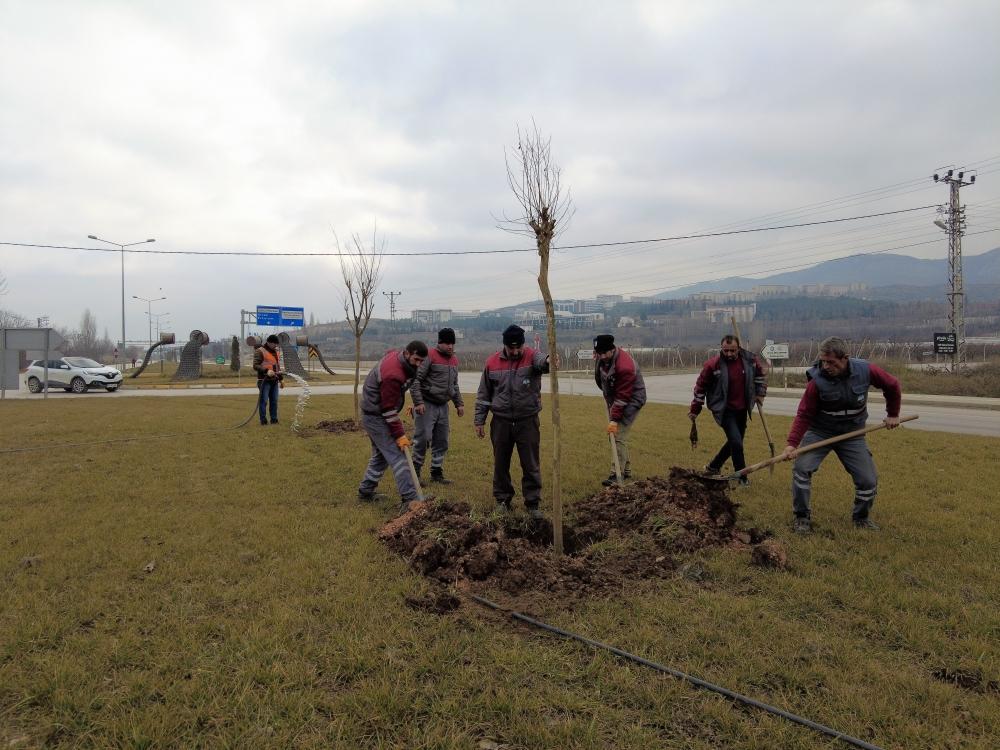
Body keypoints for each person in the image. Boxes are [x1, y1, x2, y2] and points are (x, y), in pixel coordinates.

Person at [779, 336, 901, 533]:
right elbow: (804, 414)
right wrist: (792, 444)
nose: (826, 366)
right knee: (801, 469)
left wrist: (893, 414)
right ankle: (801, 518)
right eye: (823, 361)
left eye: (831, 362)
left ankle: (861, 518)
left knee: (868, 480)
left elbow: (892, 385)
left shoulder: (865, 370)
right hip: (820, 432)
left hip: (853, 433)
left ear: (845, 358)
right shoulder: (817, 381)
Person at [474, 324, 551, 519]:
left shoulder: (532, 356)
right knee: (500, 463)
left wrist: (550, 361)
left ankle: (532, 503)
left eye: (519, 347)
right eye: (511, 348)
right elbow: (484, 394)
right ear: (504, 345)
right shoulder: (492, 362)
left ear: (524, 344)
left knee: (530, 463)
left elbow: (543, 363)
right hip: (501, 422)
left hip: (527, 421)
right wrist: (479, 420)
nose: (515, 351)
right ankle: (502, 500)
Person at [358, 341, 429, 513]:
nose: (419, 364)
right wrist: (399, 435)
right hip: (376, 416)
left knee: (381, 456)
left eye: (422, 361)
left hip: (376, 412)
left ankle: (365, 491)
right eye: (416, 360)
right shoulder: (393, 374)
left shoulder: (400, 359)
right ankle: (410, 499)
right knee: (399, 456)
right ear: (407, 353)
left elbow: (390, 353)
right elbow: (388, 410)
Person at [688, 335, 767, 486]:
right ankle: (741, 477)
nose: (729, 354)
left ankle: (713, 466)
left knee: (734, 442)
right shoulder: (713, 365)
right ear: (721, 348)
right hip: (724, 410)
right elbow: (700, 387)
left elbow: (760, 377)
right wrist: (695, 409)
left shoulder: (749, 360)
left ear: (739, 348)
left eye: (733, 350)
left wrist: (760, 393)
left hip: (742, 409)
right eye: (726, 350)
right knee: (736, 442)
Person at [410, 327, 465, 484]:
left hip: (443, 406)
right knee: (422, 439)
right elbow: (415, 380)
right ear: (440, 342)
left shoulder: (454, 360)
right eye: (447, 343)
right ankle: (415, 474)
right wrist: (418, 402)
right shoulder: (429, 356)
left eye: (452, 343)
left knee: (442, 441)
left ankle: (436, 472)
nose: (450, 346)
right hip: (426, 404)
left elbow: (454, 385)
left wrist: (459, 403)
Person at [593, 334, 646, 486]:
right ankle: (627, 471)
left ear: (612, 349)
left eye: (604, 353)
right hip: (617, 398)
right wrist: (607, 396)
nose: (602, 356)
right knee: (616, 436)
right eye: (599, 353)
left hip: (631, 400)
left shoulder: (625, 366)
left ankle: (617, 474)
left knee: (617, 435)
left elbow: (623, 397)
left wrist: (614, 420)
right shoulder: (602, 358)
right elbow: (600, 379)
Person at [253, 334, 283, 425]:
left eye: (277, 344)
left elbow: (277, 366)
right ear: (269, 343)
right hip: (264, 381)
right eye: (275, 344)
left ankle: (274, 419)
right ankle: (263, 420)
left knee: (274, 401)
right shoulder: (260, 351)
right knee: (264, 401)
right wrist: (266, 371)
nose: (276, 346)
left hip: (274, 380)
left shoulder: (276, 352)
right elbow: (255, 365)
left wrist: (281, 379)